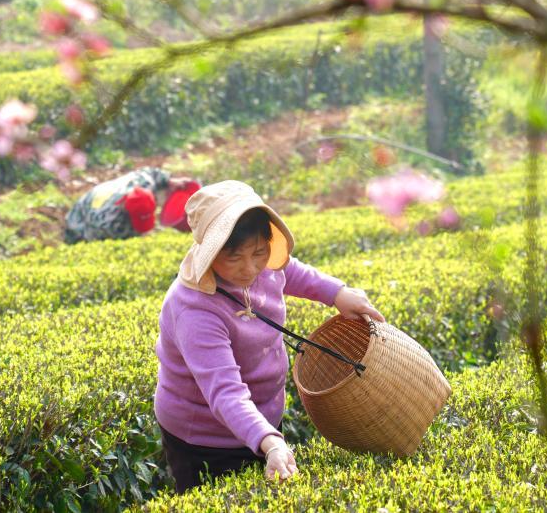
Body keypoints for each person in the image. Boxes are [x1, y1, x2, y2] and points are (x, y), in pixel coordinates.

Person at [153, 179, 385, 495]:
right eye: (234, 257)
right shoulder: (193, 310)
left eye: (259, 252)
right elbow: (224, 391)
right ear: (209, 254)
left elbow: (289, 270)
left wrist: (338, 293)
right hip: (204, 438)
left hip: (261, 418)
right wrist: (271, 441)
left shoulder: (264, 267)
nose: (250, 268)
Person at [64, 167, 198, 244]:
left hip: (107, 196)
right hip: (79, 222)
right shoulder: (108, 223)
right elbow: (107, 247)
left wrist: (169, 180)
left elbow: (149, 173)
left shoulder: (143, 184)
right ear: (125, 212)